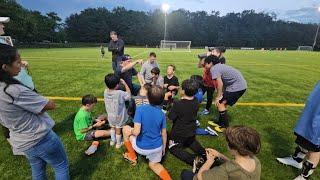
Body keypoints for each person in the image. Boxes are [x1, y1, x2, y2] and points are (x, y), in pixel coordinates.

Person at [0, 44, 69, 180]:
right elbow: (49, 105)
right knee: (61, 165)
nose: (21, 65)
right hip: (40, 137)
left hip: (20, 139)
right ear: (5, 67)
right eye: (17, 62)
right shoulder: (13, 90)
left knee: (37, 169)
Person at [122, 85, 172, 180]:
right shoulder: (162, 114)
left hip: (142, 147)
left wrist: (130, 130)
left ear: (147, 96)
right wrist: (164, 148)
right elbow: (164, 134)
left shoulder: (140, 109)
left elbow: (136, 132)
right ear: (161, 100)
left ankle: (132, 156)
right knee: (154, 164)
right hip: (157, 147)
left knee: (125, 129)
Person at [181, 125, 261, 180]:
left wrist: (209, 162)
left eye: (228, 142)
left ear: (234, 148)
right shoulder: (255, 160)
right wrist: (220, 155)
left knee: (185, 174)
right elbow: (236, 166)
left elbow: (200, 177)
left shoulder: (226, 170)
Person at [277, 81, 320, 180]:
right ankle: (297, 160)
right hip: (315, 103)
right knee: (305, 132)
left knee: (315, 144)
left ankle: (305, 176)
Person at [168, 79, 206, 167]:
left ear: (183, 91)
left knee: (173, 148)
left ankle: (193, 160)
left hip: (179, 133)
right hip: (191, 130)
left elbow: (170, 118)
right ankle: (206, 154)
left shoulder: (178, 104)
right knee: (191, 141)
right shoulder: (196, 100)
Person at [205, 55, 247, 132]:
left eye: (206, 64)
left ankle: (225, 127)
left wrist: (218, 97)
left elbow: (220, 84)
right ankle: (220, 123)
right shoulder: (220, 66)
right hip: (240, 86)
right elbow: (223, 83)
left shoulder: (214, 69)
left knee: (220, 103)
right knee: (222, 103)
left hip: (237, 87)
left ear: (210, 63)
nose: (205, 66)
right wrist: (222, 95)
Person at [104, 73, 131, 149]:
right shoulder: (119, 93)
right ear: (117, 85)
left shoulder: (105, 92)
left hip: (110, 115)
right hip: (119, 116)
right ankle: (118, 143)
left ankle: (112, 141)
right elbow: (128, 96)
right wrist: (125, 84)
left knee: (112, 127)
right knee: (118, 129)